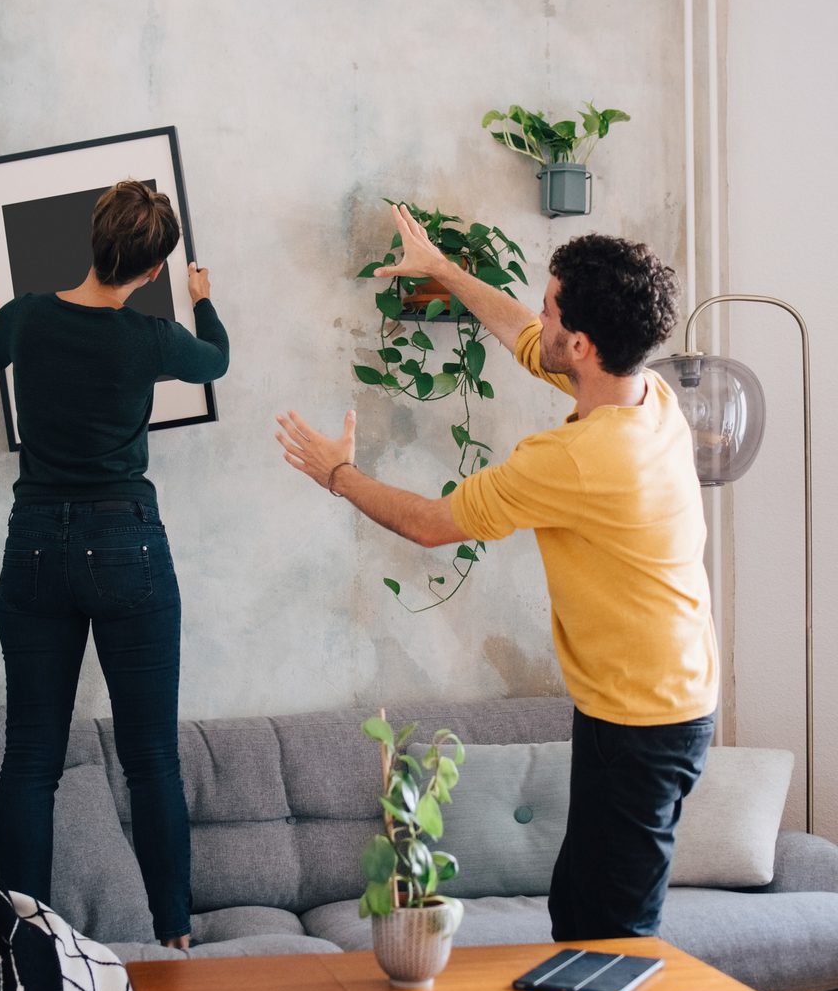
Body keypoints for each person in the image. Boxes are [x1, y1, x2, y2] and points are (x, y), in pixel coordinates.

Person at [276, 203, 717, 941]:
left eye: (549, 307)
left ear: (579, 344)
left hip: (648, 721)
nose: (537, 317)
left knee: (610, 936)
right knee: (578, 913)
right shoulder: (649, 398)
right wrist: (445, 272)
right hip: (646, 707)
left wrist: (337, 473)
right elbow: (524, 338)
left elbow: (427, 524)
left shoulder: (576, 459)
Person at [0, 179, 228, 949]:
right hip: (127, 542)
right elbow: (214, 361)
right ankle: (174, 935)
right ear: (152, 271)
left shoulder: (27, 318)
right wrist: (204, 300)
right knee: (152, 760)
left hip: (36, 541)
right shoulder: (150, 336)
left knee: (32, 753)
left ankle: (20, 938)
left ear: (93, 238)